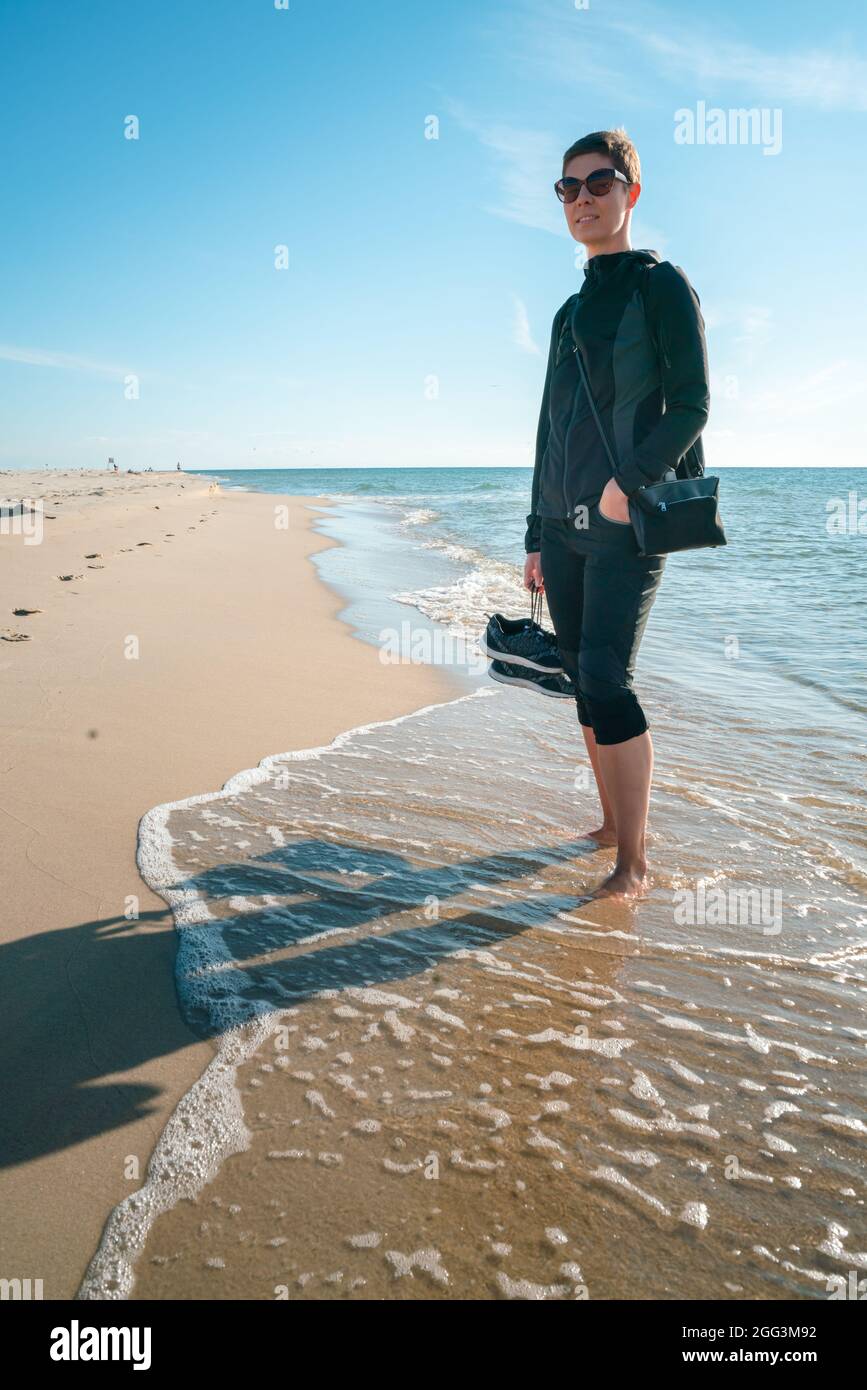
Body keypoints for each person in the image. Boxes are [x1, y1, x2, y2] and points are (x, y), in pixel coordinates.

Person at [523, 128, 710, 898]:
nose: (582, 200)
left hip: (626, 520)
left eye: (598, 183)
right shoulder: (568, 313)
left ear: (630, 193)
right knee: (577, 675)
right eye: (568, 189)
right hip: (563, 526)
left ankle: (632, 864)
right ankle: (609, 823)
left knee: (606, 674)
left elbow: (691, 406)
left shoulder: (659, 285)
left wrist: (624, 484)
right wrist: (535, 534)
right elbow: (547, 430)